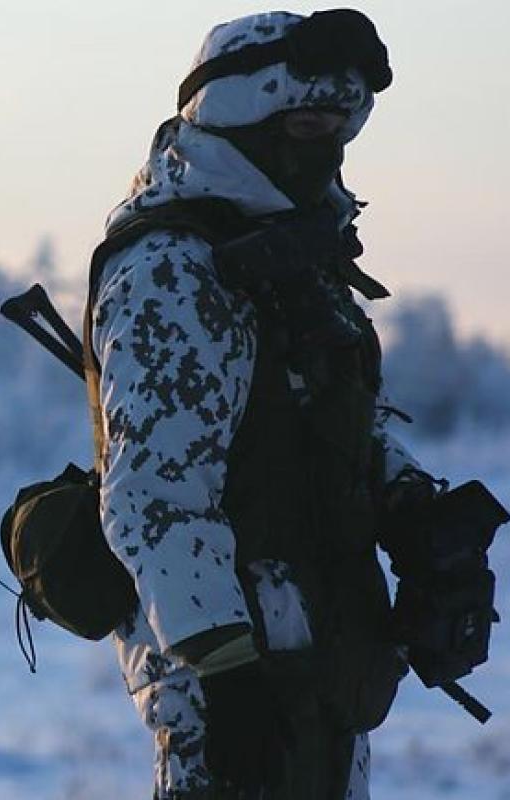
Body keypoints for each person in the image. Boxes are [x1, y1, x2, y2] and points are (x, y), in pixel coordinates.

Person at [86, 10, 438, 798]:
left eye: (342, 126)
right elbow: (155, 498)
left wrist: (419, 515)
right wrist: (227, 676)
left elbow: (341, 418)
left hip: (326, 661)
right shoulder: (172, 270)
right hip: (225, 690)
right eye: (308, 122)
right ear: (243, 118)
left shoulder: (295, 258)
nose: (328, 146)